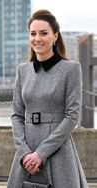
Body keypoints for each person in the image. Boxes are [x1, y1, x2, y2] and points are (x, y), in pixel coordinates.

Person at [7, 9, 88, 188]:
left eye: (44, 33)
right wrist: (25, 153)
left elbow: (72, 116)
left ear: (55, 36)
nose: (37, 38)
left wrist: (41, 153)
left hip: (58, 151)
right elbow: (16, 115)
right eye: (33, 33)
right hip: (26, 152)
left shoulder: (71, 69)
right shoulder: (23, 70)